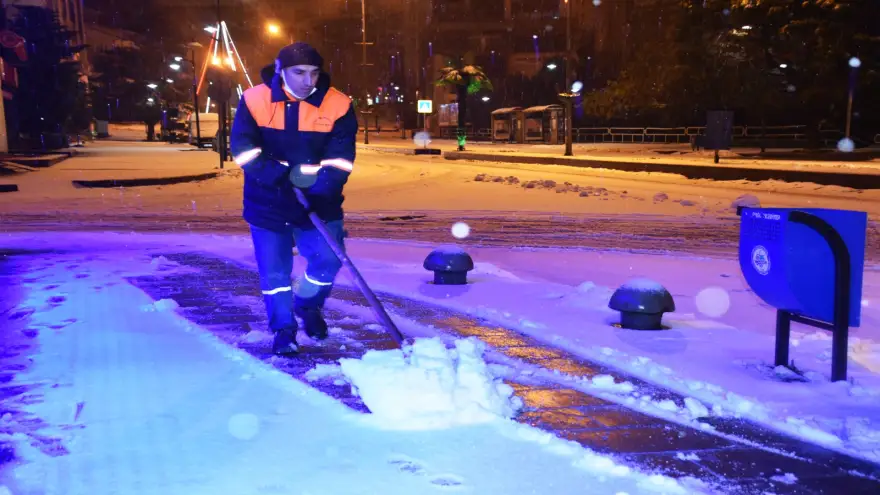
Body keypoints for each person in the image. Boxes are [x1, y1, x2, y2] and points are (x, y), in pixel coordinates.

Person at [230, 42, 357, 356]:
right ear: (280, 70)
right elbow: (244, 150)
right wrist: (281, 178)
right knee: (275, 274)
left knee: (328, 260)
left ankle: (308, 305)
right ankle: (283, 329)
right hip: (267, 203)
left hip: (319, 203)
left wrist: (318, 188)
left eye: (313, 73)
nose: (307, 80)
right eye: (298, 72)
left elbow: (340, 159)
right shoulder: (254, 99)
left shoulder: (338, 104)